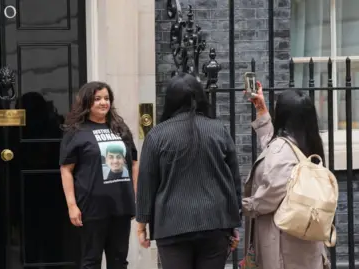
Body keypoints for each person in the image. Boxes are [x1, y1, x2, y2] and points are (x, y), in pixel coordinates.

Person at [135, 73, 242, 269]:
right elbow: (234, 179)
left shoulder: (157, 136)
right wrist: (234, 221)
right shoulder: (218, 130)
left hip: (172, 223)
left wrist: (142, 223)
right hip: (215, 221)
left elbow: (146, 183)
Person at [242, 82, 327, 268]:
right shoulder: (306, 145)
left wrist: (244, 205)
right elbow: (274, 148)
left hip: (284, 247)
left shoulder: (282, 151)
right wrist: (262, 111)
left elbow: (271, 193)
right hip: (304, 243)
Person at [59, 81, 138, 269]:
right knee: (91, 261)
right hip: (91, 207)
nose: (104, 103)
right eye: (97, 99)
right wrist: (72, 205)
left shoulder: (120, 128)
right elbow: (66, 169)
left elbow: (134, 162)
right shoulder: (76, 132)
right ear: (87, 102)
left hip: (120, 206)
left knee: (119, 260)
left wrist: (134, 194)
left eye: (106, 98)